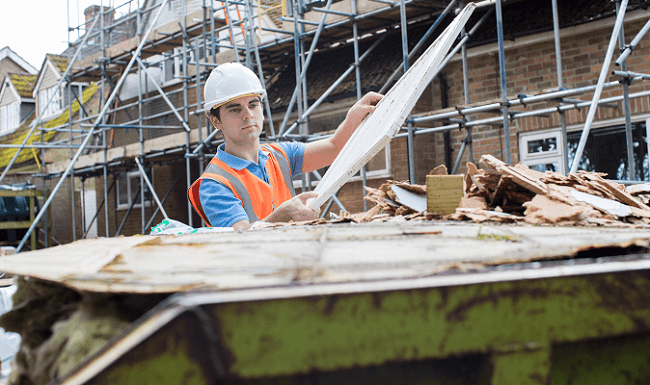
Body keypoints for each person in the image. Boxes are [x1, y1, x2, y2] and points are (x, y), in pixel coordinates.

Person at [188, 63, 381, 230]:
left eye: (253, 105)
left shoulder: (280, 155)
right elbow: (241, 237)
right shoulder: (214, 184)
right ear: (216, 122)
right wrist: (282, 215)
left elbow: (334, 148)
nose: (248, 115)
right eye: (235, 109)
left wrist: (353, 117)